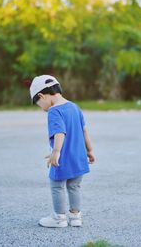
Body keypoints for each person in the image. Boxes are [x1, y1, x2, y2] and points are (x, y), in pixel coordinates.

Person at [29, 75, 95, 227]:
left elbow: (60, 133)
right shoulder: (74, 107)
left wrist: (56, 152)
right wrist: (90, 150)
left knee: (57, 185)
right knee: (74, 186)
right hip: (78, 158)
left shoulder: (54, 111)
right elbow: (84, 130)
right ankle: (75, 217)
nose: (42, 109)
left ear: (41, 96)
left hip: (62, 159)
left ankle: (59, 218)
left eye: (38, 104)